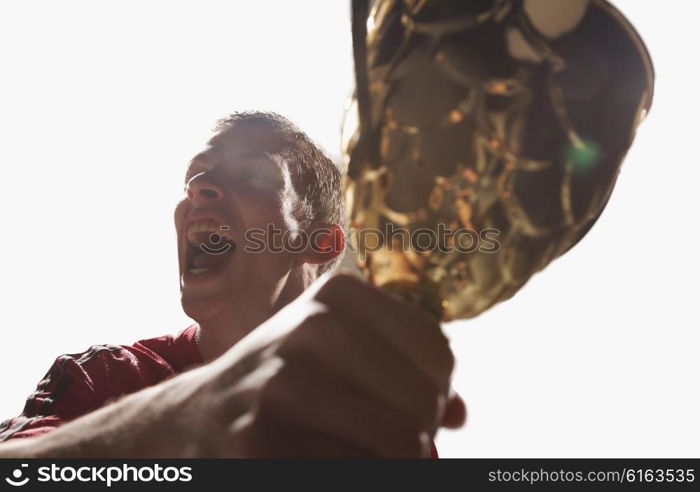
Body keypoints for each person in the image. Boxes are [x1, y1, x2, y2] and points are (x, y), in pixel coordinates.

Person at [0, 112, 465, 458]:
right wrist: (188, 417)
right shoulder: (103, 375)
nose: (200, 189)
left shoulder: (377, 425)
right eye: (195, 179)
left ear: (322, 242)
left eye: (253, 175)